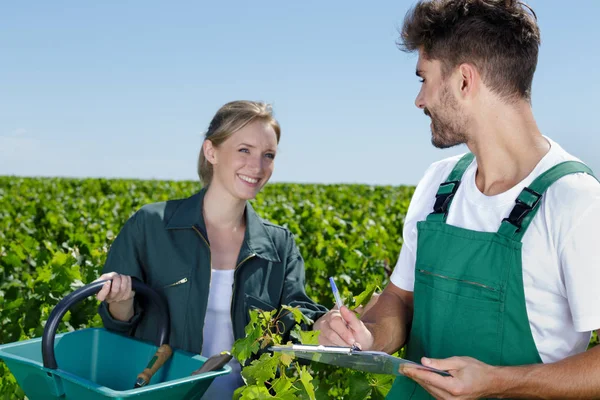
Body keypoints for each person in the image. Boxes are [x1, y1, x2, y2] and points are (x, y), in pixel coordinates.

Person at [314, 1, 600, 398]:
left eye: (424, 79)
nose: (420, 100)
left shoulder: (574, 200)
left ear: (465, 80)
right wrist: (368, 335)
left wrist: (499, 382)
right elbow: (400, 299)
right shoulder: (438, 185)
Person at [95, 100, 327, 399]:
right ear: (211, 151)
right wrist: (121, 300)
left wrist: (327, 323)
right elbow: (116, 325)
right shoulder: (150, 225)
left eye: (267, 155)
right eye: (244, 150)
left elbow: (298, 320)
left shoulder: (280, 245)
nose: (257, 167)